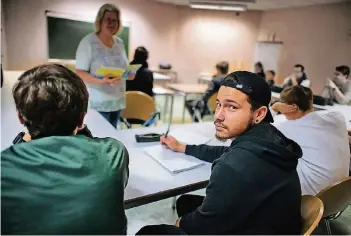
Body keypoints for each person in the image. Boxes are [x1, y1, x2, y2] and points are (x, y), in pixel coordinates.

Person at [154, 71, 302, 234]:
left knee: (152, 232)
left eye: (232, 107)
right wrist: (183, 147)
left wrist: (180, 223)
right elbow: (226, 151)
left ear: (259, 113)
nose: (218, 116)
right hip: (272, 224)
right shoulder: (268, 138)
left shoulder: (233, 166)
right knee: (186, 202)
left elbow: (202, 226)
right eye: (218, 104)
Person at [1, 64, 129, 234]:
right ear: (82, 119)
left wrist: (22, 142)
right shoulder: (113, 153)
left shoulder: (4, 167)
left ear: (20, 117)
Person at [272, 86, 350, 195]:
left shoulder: (288, 127)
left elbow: (262, 128)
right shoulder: (338, 118)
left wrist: (274, 108)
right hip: (341, 193)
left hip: (313, 198)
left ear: (293, 107)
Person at [76, 4, 135, 128]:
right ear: (100, 21)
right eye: (108, 20)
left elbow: (124, 67)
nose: (112, 24)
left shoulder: (119, 42)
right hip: (99, 102)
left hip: (117, 100)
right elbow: (80, 72)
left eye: (115, 21)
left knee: (113, 136)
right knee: (100, 138)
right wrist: (101, 81)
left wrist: (129, 73)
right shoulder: (88, 42)